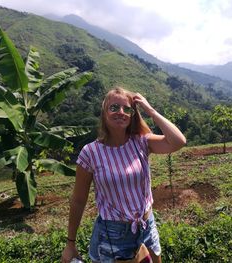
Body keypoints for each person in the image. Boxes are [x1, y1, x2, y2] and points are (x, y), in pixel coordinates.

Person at [61, 87, 186, 263]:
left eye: (127, 109)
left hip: (146, 225)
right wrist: (70, 243)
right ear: (104, 112)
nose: (121, 112)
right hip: (113, 234)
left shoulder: (141, 142)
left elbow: (178, 141)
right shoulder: (90, 153)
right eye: (114, 108)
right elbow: (78, 200)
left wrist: (150, 110)